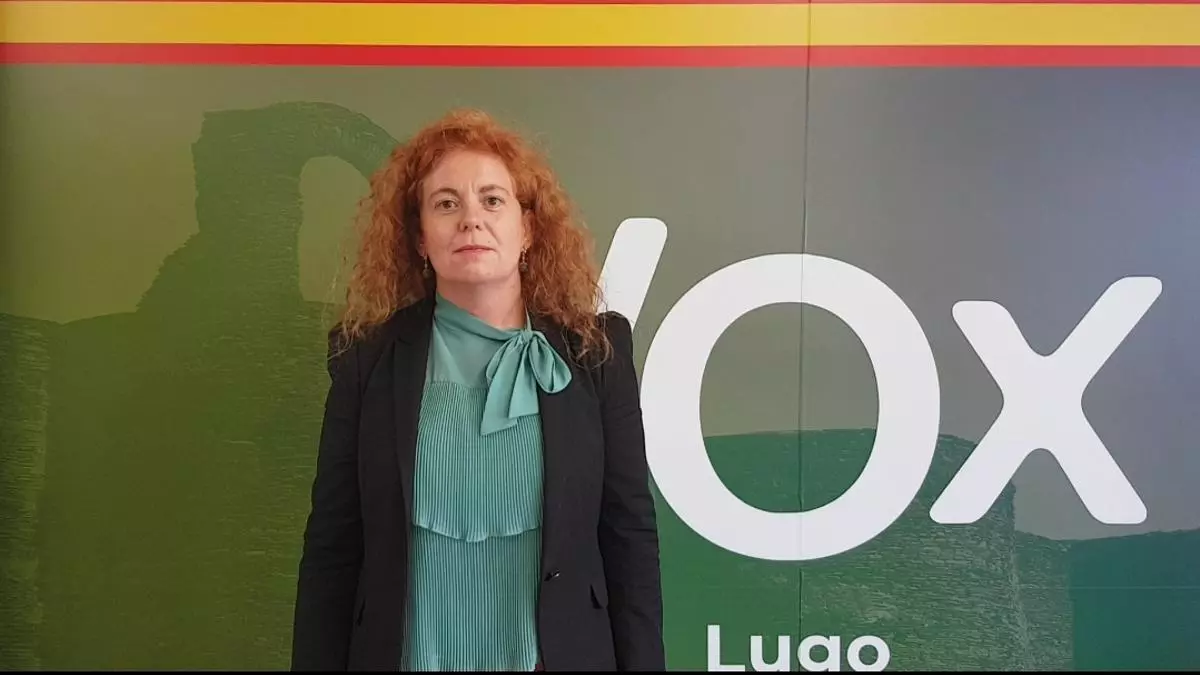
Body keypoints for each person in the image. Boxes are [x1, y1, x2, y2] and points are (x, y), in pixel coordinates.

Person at [290, 108, 665, 672]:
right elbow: (333, 548)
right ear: (420, 237)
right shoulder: (366, 358)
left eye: (492, 200)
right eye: (446, 204)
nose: (471, 220)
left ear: (527, 229)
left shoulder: (597, 353)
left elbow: (629, 538)